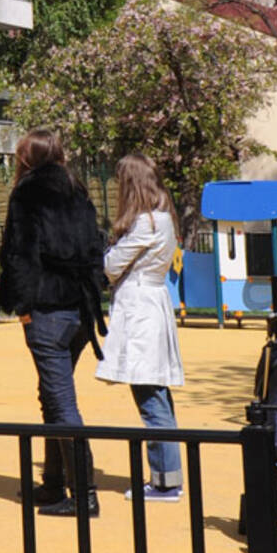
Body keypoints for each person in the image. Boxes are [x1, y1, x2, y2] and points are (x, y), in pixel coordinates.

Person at [0, 128, 107, 516]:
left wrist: (22, 305)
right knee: (51, 394)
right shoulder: (77, 190)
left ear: (28, 158)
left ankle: (85, 495)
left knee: (60, 401)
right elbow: (96, 247)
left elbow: (19, 254)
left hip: (47, 308)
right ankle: (54, 484)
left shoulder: (27, 193)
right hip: (79, 309)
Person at [98, 154, 185, 502]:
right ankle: (167, 476)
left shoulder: (147, 222)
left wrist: (107, 249)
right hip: (152, 304)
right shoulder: (163, 217)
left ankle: (165, 483)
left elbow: (111, 265)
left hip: (141, 311)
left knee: (151, 398)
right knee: (157, 395)